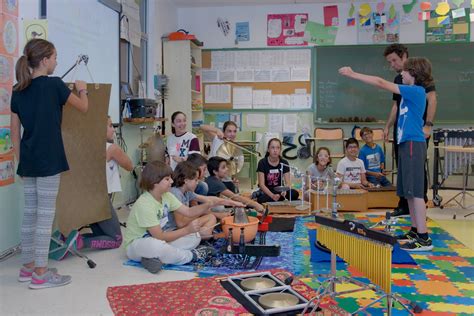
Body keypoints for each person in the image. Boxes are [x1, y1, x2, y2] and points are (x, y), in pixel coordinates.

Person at [10, 39, 88, 289]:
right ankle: (41, 274)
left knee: (30, 215)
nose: (56, 62)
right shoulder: (55, 85)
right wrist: (82, 89)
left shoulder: (17, 89)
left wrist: (21, 161)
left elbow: (14, 132)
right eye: (54, 58)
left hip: (29, 159)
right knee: (45, 217)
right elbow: (84, 108)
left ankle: (28, 267)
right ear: (44, 60)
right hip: (48, 159)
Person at [339, 56, 434, 251]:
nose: (401, 73)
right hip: (406, 144)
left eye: (404, 71)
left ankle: (424, 238)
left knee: (415, 192)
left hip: (413, 145)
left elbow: (381, 83)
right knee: (408, 192)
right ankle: (415, 230)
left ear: (413, 73)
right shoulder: (409, 94)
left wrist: (353, 74)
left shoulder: (416, 91)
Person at [123, 161, 217, 274]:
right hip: (138, 244)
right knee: (156, 246)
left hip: (161, 241)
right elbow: (159, 236)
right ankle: (192, 255)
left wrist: (206, 205)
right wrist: (187, 230)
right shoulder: (145, 203)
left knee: (194, 236)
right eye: (167, 179)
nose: (172, 181)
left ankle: (152, 259)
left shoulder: (167, 196)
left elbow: (188, 211)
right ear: (154, 181)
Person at [383, 44, 437, 217]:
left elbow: (432, 99)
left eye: (394, 60)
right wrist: (388, 126)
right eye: (389, 61)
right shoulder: (399, 79)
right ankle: (405, 205)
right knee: (404, 169)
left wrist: (428, 124)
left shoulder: (421, 78)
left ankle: (420, 205)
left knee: (416, 169)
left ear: (404, 57)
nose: (392, 64)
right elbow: (396, 105)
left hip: (416, 131)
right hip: (402, 130)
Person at [76, 117, 132, 250]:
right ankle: (79, 243)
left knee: (102, 234)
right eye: (110, 126)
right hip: (99, 200)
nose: (113, 129)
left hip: (85, 199)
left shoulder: (84, 146)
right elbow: (129, 166)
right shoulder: (112, 149)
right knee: (116, 240)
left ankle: (73, 239)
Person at [170, 161, 244, 236]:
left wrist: (233, 203)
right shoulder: (176, 193)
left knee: (211, 217)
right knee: (206, 228)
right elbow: (180, 224)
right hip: (175, 230)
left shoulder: (187, 192)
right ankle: (201, 236)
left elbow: (211, 199)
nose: (197, 182)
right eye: (195, 180)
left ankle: (203, 235)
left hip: (184, 226)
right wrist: (201, 210)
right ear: (185, 180)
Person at [255, 138, 299, 204]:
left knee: (295, 194)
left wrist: (285, 191)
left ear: (280, 150)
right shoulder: (262, 162)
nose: (275, 150)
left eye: (278, 148)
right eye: (272, 147)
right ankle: (277, 198)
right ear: (268, 149)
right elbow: (261, 184)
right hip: (268, 191)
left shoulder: (284, 162)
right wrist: (272, 196)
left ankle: (279, 198)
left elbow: (288, 183)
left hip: (280, 190)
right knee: (261, 199)